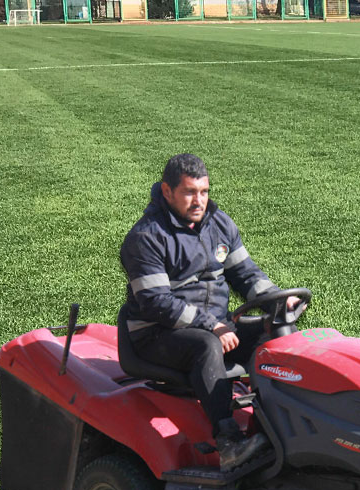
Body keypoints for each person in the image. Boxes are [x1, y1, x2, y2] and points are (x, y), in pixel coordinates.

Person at [119, 153, 300, 471]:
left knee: (270, 331)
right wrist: (211, 326)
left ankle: (279, 423)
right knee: (206, 346)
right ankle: (230, 443)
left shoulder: (219, 223)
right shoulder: (145, 238)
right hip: (156, 333)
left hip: (215, 324)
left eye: (204, 191)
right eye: (189, 192)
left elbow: (244, 273)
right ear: (167, 191)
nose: (198, 200)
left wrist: (274, 300)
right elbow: (156, 303)